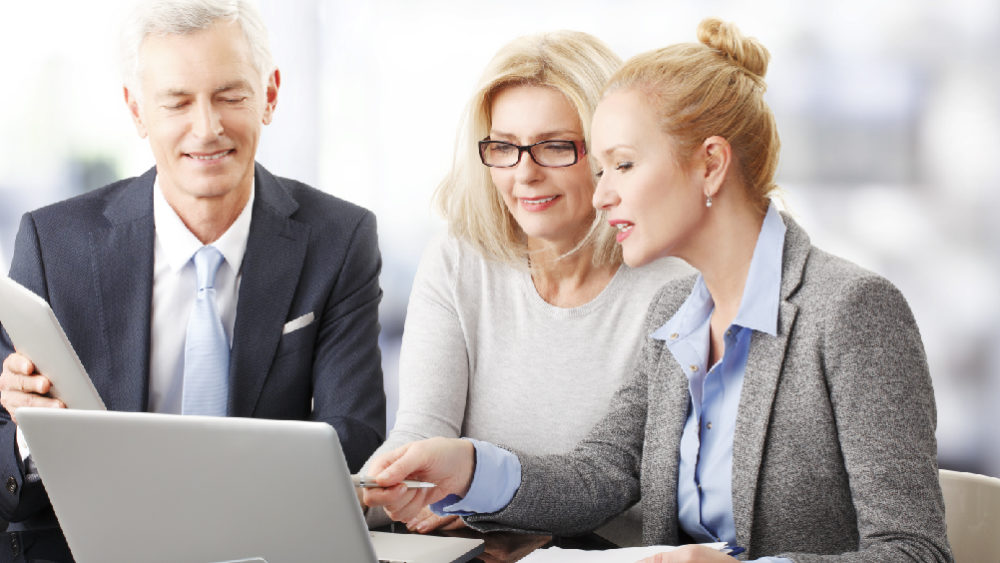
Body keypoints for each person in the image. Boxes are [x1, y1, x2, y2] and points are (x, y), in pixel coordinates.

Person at [362, 18, 953, 563]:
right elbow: (602, 475)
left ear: (710, 165)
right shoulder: (680, 313)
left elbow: (914, 552)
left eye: (622, 165)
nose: (600, 196)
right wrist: (467, 468)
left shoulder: (851, 310)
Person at [0, 1, 384, 560]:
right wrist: (34, 430)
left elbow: (355, 435)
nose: (207, 128)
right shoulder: (53, 243)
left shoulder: (340, 237)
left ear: (270, 95)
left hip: (264, 545)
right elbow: (6, 468)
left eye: (230, 96)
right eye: (177, 102)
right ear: (136, 111)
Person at [361, 30, 689, 544]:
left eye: (555, 146)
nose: (525, 173)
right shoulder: (457, 259)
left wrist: (479, 492)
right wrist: (392, 484)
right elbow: (423, 428)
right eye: (504, 147)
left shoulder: (675, 288)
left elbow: (613, 481)